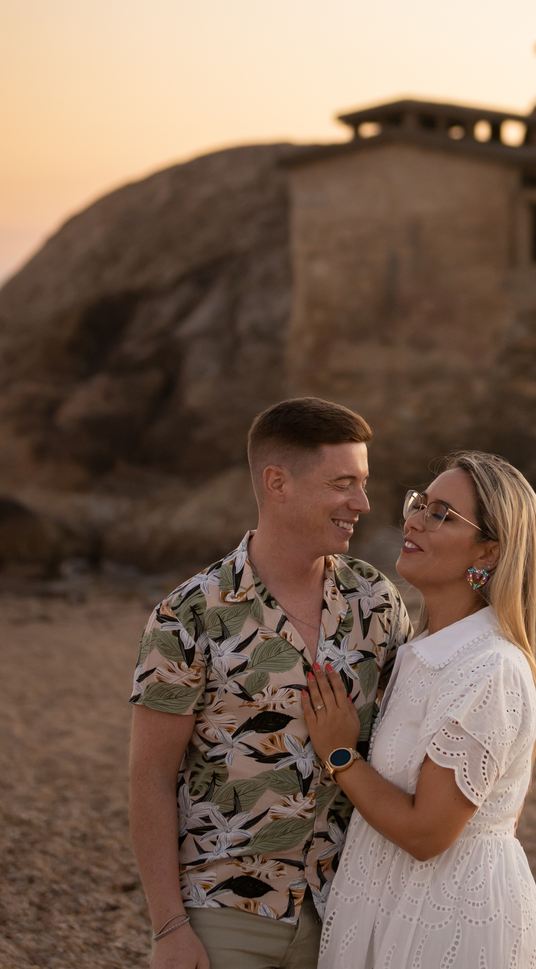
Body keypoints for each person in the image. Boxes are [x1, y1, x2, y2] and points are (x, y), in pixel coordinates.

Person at [128, 397, 410, 969]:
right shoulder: (189, 615)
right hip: (224, 912)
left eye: (363, 483)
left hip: (349, 908)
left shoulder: (376, 602)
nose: (362, 503)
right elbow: (150, 775)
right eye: (343, 484)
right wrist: (169, 927)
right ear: (277, 483)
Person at [307, 450, 536, 969]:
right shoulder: (420, 652)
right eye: (421, 503)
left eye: (441, 514)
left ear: (487, 553)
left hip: (451, 915)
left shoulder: (489, 667)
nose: (413, 519)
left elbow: (427, 833)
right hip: (394, 900)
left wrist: (341, 755)